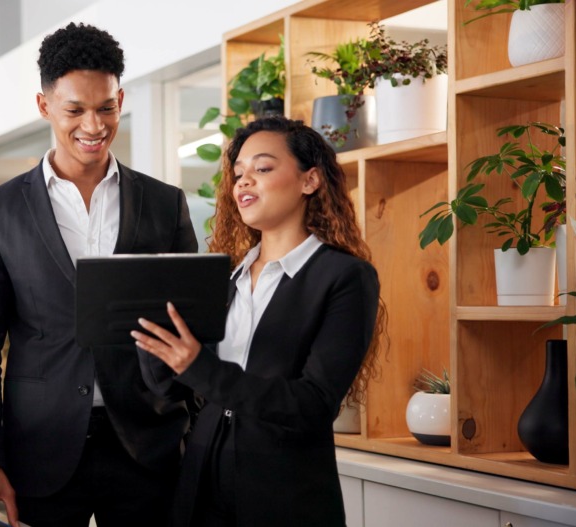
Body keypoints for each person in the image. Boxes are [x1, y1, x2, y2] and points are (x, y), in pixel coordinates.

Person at [0, 22, 198, 527]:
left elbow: (191, 327)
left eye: (106, 107)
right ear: (44, 106)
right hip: (38, 449)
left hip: (147, 447)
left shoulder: (163, 204)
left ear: (120, 99)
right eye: (75, 110)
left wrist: (191, 432)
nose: (94, 124)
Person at [132, 116, 386, 526]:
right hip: (200, 488)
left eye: (262, 169)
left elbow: (313, 405)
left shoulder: (344, 278)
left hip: (284, 494)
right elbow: (171, 386)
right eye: (238, 174)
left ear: (310, 181)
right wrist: (149, 331)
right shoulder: (224, 278)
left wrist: (199, 366)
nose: (243, 182)